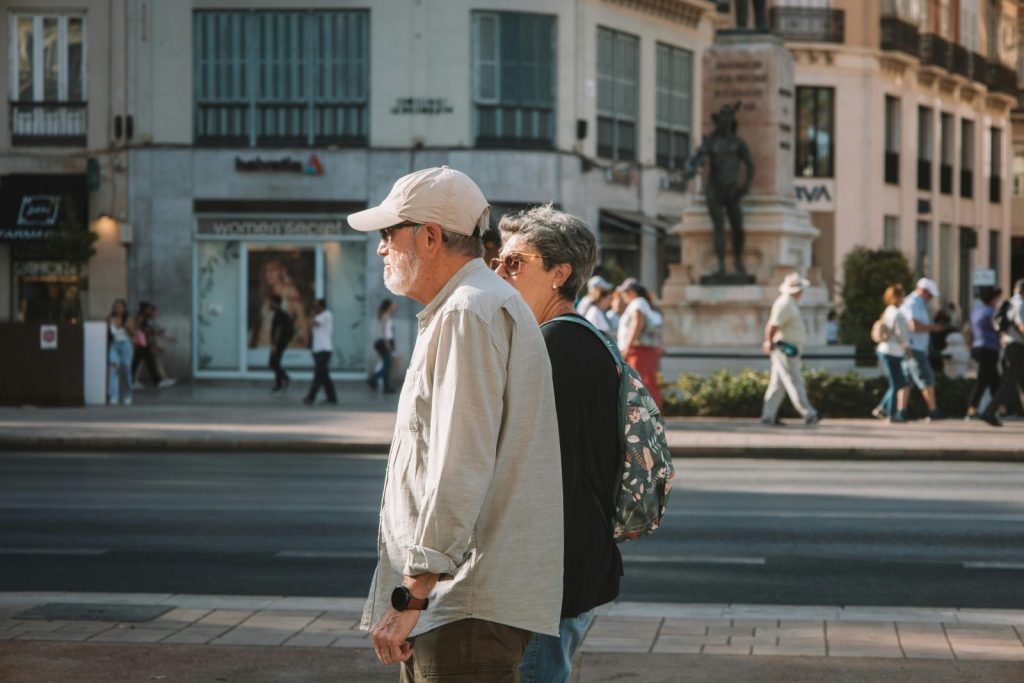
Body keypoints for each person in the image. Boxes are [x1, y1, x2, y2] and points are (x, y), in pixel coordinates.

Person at [350, 166, 563, 681]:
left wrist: (411, 596)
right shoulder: (472, 305)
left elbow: (457, 465)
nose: (381, 249)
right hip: (459, 599)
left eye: (388, 234)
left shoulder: (468, 312)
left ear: (429, 237)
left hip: (459, 601)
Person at [494, 206, 622, 683]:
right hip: (574, 561)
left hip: (550, 573)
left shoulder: (555, 346)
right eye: (498, 261)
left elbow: (543, 471)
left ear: (559, 274)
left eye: (515, 262)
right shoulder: (587, 339)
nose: (499, 271)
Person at [760, 273, 819, 426]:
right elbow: (773, 325)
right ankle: (809, 413)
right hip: (785, 350)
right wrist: (769, 342)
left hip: (787, 349)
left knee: (777, 385)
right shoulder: (785, 303)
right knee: (795, 381)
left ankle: (768, 416)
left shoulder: (789, 303)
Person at [900, 278, 947, 421]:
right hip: (915, 346)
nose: (931, 298)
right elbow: (914, 325)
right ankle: (933, 410)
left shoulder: (917, 303)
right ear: (923, 291)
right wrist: (934, 328)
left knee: (906, 380)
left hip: (914, 346)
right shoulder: (913, 303)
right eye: (930, 294)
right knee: (926, 377)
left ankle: (899, 410)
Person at [980, 279, 1024, 427]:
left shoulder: (1009, 303)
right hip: (1018, 347)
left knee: (1017, 381)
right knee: (1009, 382)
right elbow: (1021, 325)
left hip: (1010, 346)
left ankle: (989, 411)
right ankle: (989, 411)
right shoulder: (1020, 304)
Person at [616, 278, 664, 409]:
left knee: (641, 383)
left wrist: (627, 347)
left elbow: (637, 323)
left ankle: (652, 419)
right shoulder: (642, 303)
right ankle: (653, 419)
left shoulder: (637, 303)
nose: (622, 296)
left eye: (624, 293)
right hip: (643, 350)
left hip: (639, 350)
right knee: (645, 382)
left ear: (631, 292)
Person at [874, 285, 912, 424]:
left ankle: (883, 408)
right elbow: (903, 336)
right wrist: (908, 349)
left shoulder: (888, 311)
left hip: (885, 350)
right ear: (897, 297)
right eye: (902, 296)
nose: (903, 299)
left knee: (897, 383)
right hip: (893, 352)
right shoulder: (898, 314)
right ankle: (890, 413)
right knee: (898, 383)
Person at [965, 286, 1003, 420]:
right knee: (983, 380)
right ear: (993, 298)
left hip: (977, 347)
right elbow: (999, 328)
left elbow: (969, 330)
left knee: (994, 379)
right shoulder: (992, 312)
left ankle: (999, 408)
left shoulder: (976, 310)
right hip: (989, 348)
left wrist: (969, 345)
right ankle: (972, 409)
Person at [132, 301, 176, 389]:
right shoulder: (141, 317)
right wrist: (144, 332)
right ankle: (158, 381)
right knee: (148, 362)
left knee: (138, 363)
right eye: (148, 308)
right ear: (144, 309)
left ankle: (132, 381)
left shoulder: (145, 318)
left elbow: (151, 329)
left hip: (144, 342)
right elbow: (137, 328)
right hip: (142, 342)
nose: (149, 310)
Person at [304, 298, 337, 406]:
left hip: (324, 350)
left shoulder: (326, 315)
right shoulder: (319, 316)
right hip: (317, 350)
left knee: (319, 375)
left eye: (317, 306)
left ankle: (311, 397)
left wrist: (311, 314)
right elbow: (309, 325)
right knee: (324, 376)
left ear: (322, 306)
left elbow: (312, 322)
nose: (315, 308)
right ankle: (332, 398)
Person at [107, 299, 136, 406]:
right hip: (114, 345)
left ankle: (128, 395)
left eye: (120, 307)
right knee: (113, 368)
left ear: (124, 308)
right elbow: (106, 332)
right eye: (116, 307)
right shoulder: (110, 318)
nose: (118, 309)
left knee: (126, 370)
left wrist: (129, 328)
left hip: (125, 345)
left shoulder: (128, 319)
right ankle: (114, 396)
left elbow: (133, 334)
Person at [368, 300, 396, 394]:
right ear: (389, 305)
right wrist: (386, 343)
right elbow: (383, 330)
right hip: (385, 343)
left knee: (386, 365)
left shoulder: (387, 315)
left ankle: (386, 387)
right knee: (387, 365)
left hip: (388, 342)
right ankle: (373, 379)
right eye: (392, 304)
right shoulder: (385, 316)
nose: (394, 306)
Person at [269, 295, 294, 393]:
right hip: (280, 343)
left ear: (275, 303)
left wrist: (275, 344)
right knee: (275, 363)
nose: (269, 304)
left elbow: (278, 330)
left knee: (273, 363)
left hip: (279, 344)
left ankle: (284, 380)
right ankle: (281, 382)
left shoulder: (279, 314)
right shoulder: (279, 313)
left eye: (271, 302)